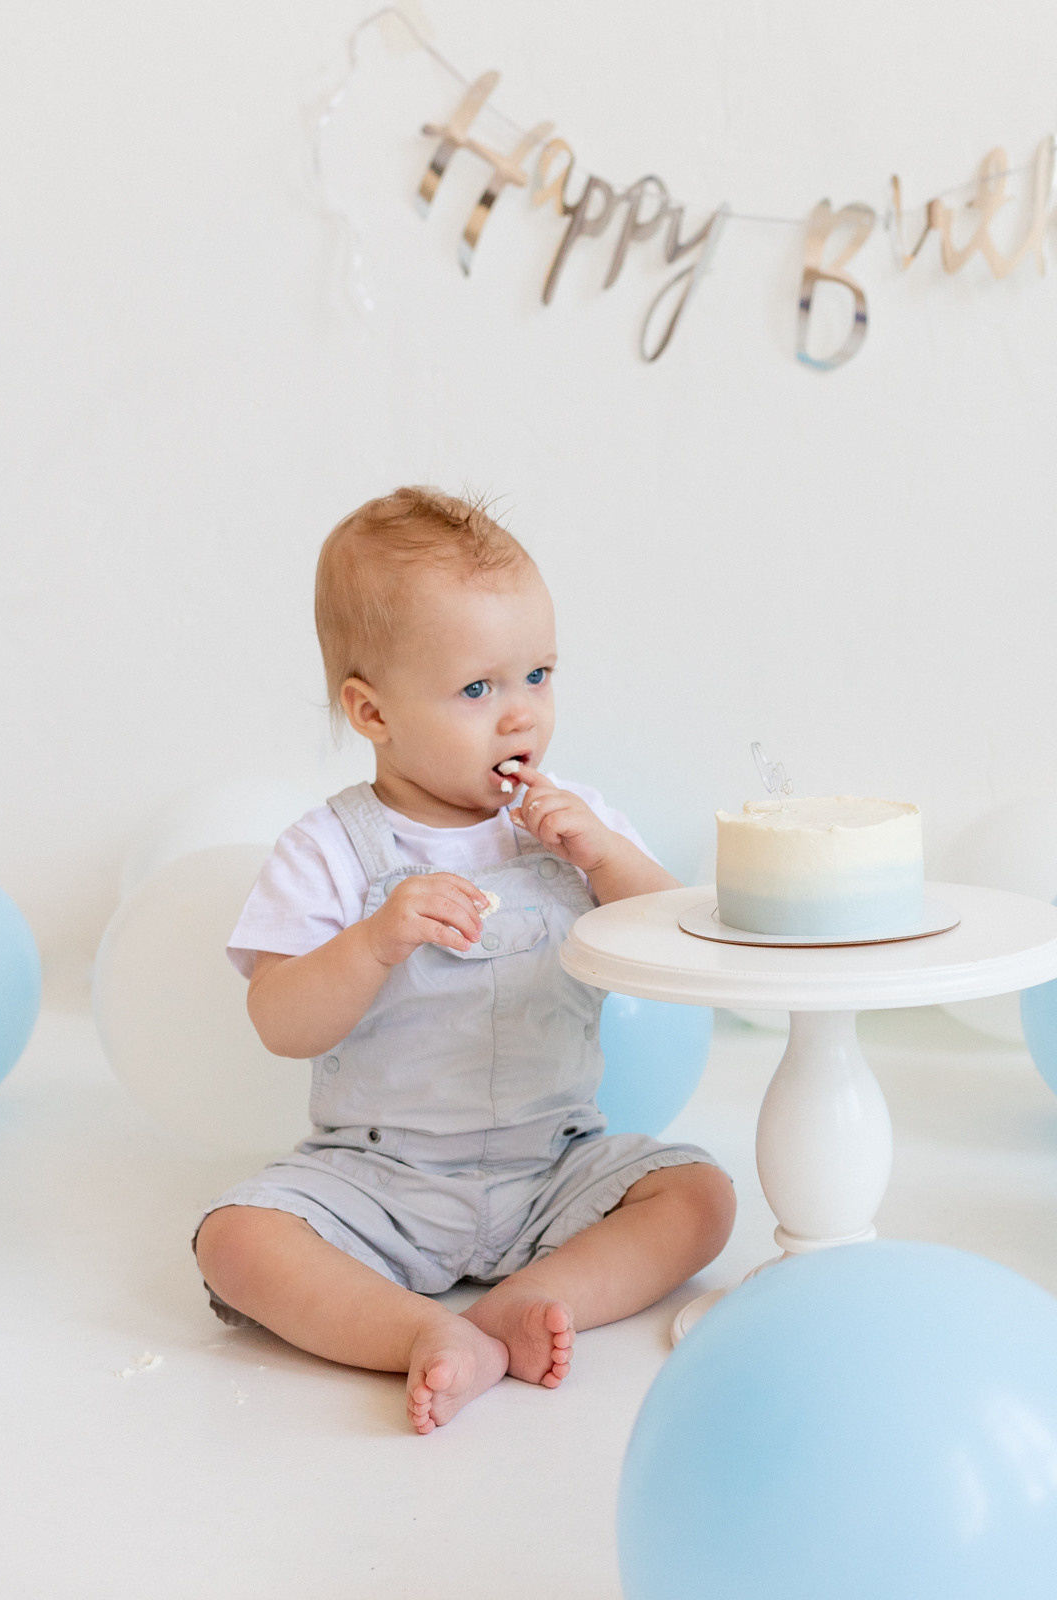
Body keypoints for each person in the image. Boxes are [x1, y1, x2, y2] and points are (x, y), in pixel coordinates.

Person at [192, 487, 736, 1434]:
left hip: (554, 1163)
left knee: (699, 1197)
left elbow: (670, 938)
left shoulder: (578, 823)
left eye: (538, 676)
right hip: (378, 1177)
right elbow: (280, 1021)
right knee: (236, 1240)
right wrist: (373, 942)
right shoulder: (329, 849)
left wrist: (604, 857)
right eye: (478, 690)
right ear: (372, 712)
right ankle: (418, 1332)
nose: (521, 716)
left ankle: (531, 1300)